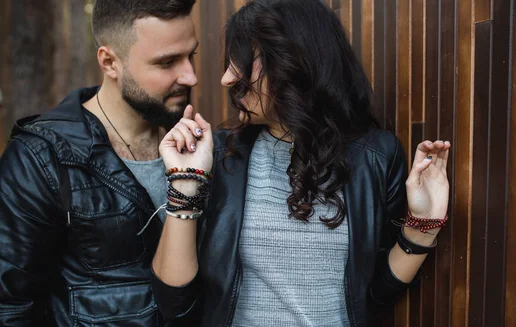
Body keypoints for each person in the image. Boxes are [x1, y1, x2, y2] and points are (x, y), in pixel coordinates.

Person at [151, 0, 451, 326]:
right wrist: (185, 183)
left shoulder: (375, 157)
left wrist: (423, 226)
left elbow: (378, 294)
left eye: (240, 60)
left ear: (292, 61)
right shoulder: (222, 156)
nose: (226, 78)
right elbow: (175, 304)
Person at [0, 0, 198, 325]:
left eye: (192, 55)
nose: (189, 76)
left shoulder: (200, 147)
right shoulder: (41, 160)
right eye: (167, 63)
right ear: (109, 62)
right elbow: (10, 307)